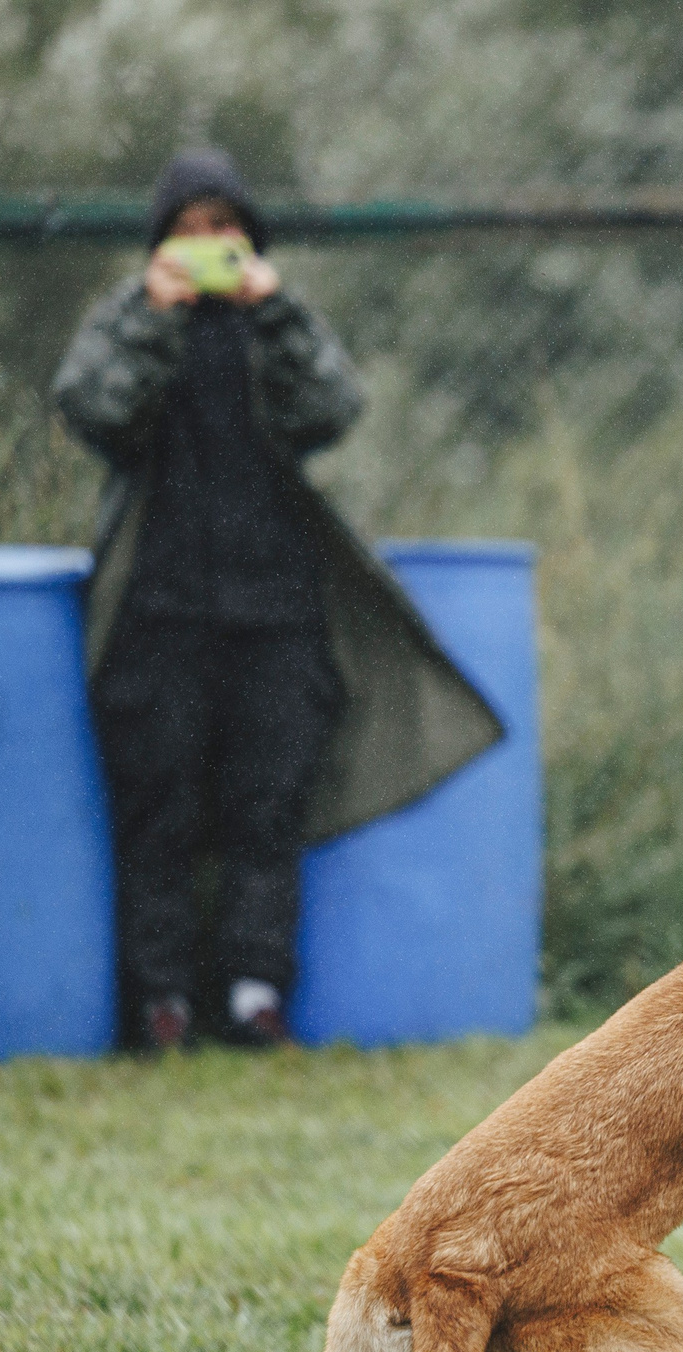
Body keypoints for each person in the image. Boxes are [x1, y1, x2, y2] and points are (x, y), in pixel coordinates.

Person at [53, 148, 499, 1052]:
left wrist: (278, 308)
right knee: (158, 814)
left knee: (268, 813)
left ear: (251, 240)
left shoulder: (276, 326)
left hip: (278, 615)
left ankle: (256, 997)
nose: (207, 245)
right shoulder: (129, 319)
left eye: (224, 229)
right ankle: (161, 1004)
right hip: (158, 614)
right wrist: (153, 318)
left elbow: (334, 407)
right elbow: (93, 410)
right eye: (188, 230)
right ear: (158, 243)